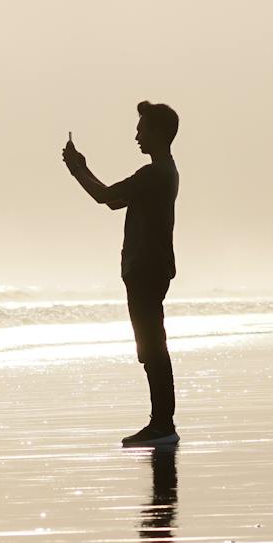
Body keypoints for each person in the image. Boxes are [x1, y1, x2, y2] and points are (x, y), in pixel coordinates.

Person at [62, 101, 181, 447]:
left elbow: (106, 196)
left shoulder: (155, 174)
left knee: (152, 348)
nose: (137, 135)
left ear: (159, 133)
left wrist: (77, 168)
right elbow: (114, 202)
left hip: (146, 267)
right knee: (151, 347)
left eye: (142, 129)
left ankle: (162, 424)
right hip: (150, 267)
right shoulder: (164, 172)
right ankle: (161, 423)